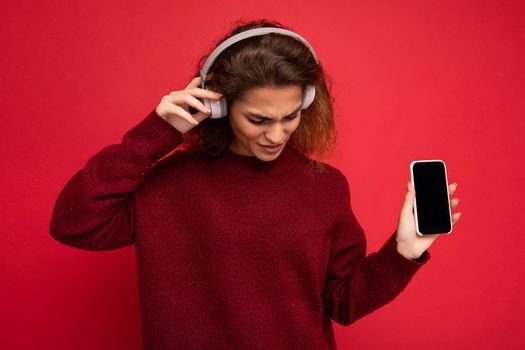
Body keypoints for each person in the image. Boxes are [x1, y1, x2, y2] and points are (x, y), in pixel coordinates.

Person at [50, 19, 461, 350]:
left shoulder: (325, 188)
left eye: (290, 116)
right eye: (259, 120)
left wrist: (403, 253)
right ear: (220, 105)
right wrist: (156, 133)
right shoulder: (171, 182)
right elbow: (75, 223)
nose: (276, 134)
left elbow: (343, 303)